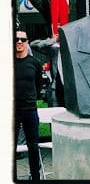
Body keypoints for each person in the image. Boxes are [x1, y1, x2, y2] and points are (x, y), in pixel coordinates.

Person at [15, 30, 43, 180]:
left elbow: (38, 84)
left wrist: (33, 97)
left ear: (26, 42)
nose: (19, 42)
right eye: (16, 39)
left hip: (30, 111)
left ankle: (35, 177)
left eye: (23, 39)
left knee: (33, 146)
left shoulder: (34, 63)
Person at [30, 34, 64, 107]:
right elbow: (33, 44)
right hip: (56, 87)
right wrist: (54, 40)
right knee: (55, 112)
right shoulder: (54, 49)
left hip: (70, 89)